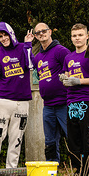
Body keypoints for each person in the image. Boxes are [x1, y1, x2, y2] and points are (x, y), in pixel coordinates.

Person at [0, 22, 34, 169]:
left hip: (22, 103)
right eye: (0, 36)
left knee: (17, 138)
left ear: (11, 34)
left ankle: (11, 170)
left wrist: (28, 45)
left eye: (5, 34)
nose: (3, 38)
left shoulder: (23, 47)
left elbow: (30, 65)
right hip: (3, 101)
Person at [61, 23, 89, 176]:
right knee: (74, 141)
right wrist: (64, 80)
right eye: (74, 36)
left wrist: (79, 81)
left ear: (86, 37)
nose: (77, 38)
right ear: (71, 38)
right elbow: (66, 77)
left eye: (80, 35)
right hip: (71, 103)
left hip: (88, 102)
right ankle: (78, 173)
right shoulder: (68, 58)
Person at [33, 22, 70, 163]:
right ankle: (51, 169)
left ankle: (79, 169)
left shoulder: (61, 51)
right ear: (36, 37)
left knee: (71, 136)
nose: (41, 34)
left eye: (44, 31)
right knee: (49, 141)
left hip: (64, 103)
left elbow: (71, 70)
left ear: (50, 32)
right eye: (38, 33)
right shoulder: (37, 58)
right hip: (47, 106)